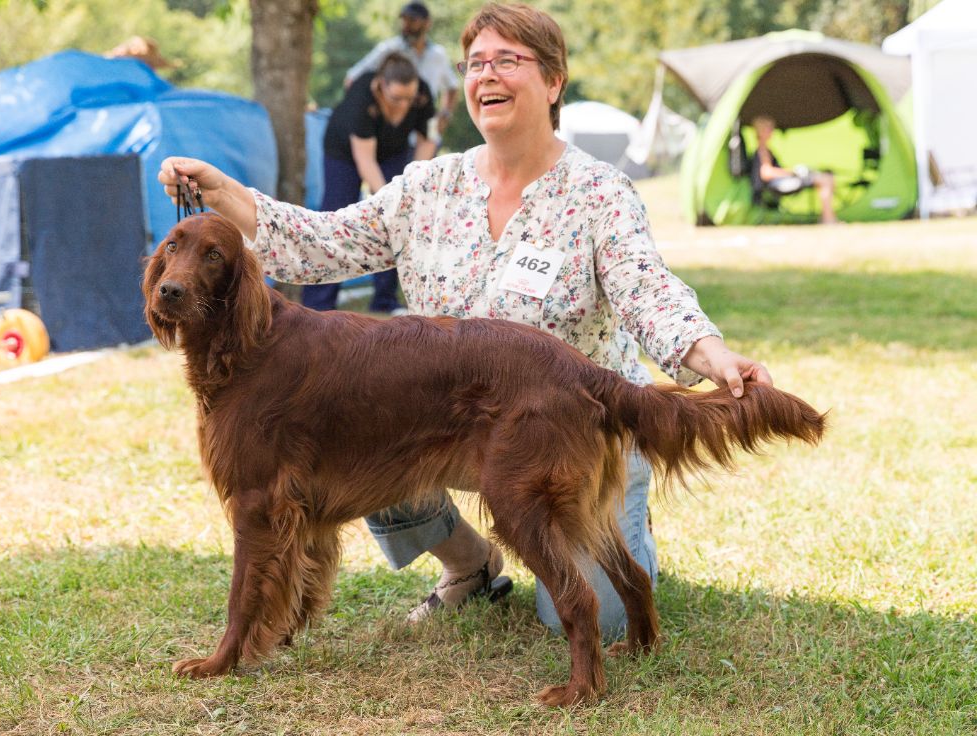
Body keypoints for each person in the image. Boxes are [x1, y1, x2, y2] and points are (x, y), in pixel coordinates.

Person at [158, 2, 773, 637]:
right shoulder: (428, 186)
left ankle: (616, 517)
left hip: (566, 427)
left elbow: (648, 292)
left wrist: (712, 355)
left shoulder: (599, 193)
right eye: (475, 63)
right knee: (354, 418)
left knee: (600, 618)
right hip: (447, 417)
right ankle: (469, 564)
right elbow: (322, 242)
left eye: (508, 60)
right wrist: (222, 191)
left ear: (554, 81)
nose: (487, 76)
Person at [301, 52, 436, 314]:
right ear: (381, 86)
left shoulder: (423, 93)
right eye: (397, 98)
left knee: (396, 222)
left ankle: (385, 300)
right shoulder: (361, 96)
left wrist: (414, 181)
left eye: (409, 99)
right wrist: (392, 199)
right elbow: (365, 161)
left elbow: (428, 139)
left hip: (393, 151)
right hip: (344, 153)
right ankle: (319, 305)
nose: (405, 105)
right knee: (336, 221)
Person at [345, 2, 459, 143]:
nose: (406, 25)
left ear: (427, 23)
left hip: (426, 130)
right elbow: (352, 79)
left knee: (431, 152)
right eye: (404, 20)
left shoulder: (438, 55)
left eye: (412, 20)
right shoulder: (389, 49)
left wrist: (445, 115)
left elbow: (453, 87)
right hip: (392, 132)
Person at [751, 115, 839, 225]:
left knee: (826, 178)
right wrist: (791, 172)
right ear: (761, 131)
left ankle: (828, 217)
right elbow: (766, 173)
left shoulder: (766, 150)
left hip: (780, 182)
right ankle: (828, 218)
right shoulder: (762, 151)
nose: (771, 132)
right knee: (825, 180)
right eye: (768, 128)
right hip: (776, 185)